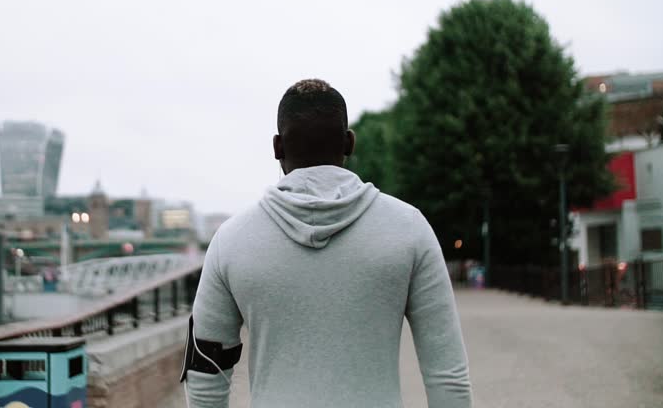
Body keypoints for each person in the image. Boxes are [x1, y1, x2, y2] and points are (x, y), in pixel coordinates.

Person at [182, 79, 471, 407]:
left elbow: (206, 373)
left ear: (277, 147)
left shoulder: (231, 241)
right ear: (349, 142)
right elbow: (448, 374)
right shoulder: (409, 229)